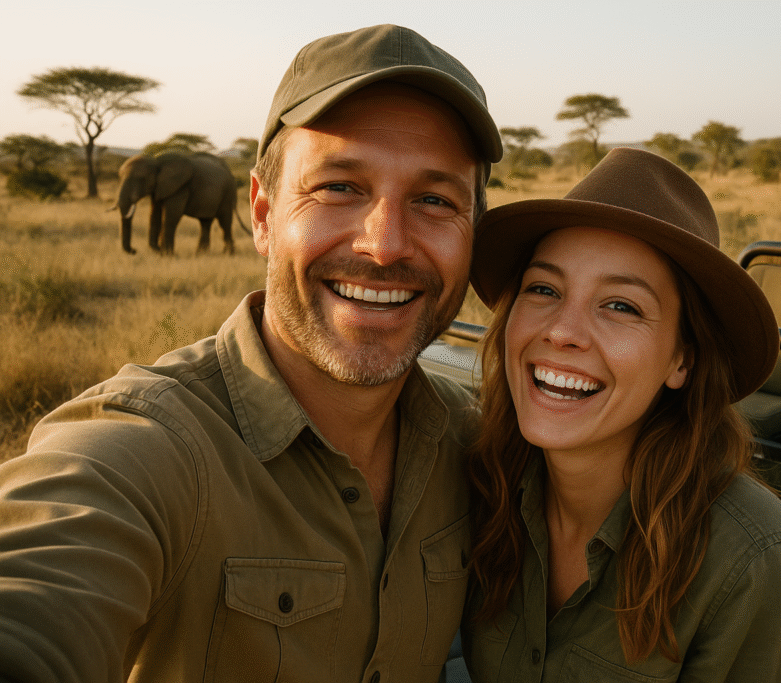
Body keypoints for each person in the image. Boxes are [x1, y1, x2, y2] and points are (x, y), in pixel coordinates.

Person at [0, 24, 501, 683]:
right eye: (338, 187)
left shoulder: (476, 444)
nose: (386, 245)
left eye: (435, 200)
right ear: (263, 216)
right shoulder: (149, 448)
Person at [462, 148, 781, 682]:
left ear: (682, 359)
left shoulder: (751, 562)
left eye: (621, 306)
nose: (562, 331)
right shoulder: (483, 483)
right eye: (543, 289)